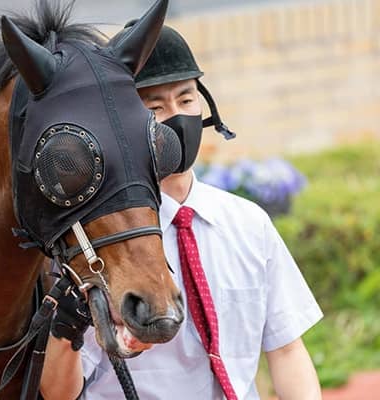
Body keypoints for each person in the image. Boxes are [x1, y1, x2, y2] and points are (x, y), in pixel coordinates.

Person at [39, 22, 323, 400]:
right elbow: (59, 393)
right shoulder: (97, 243)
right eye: (155, 106)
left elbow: (286, 350)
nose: (176, 116)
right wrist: (66, 328)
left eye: (186, 100)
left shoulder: (249, 224)